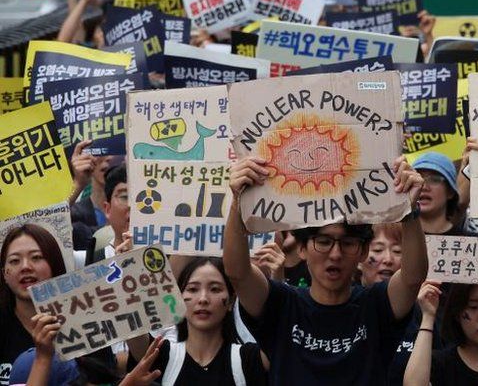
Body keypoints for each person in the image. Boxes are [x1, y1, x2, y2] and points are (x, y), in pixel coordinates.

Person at [223, 155, 427, 385]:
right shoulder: (281, 304)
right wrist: (238, 201)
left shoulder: (377, 305)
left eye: (348, 244)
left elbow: (412, 278)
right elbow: (238, 273)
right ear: (302, 248)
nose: (336, 254)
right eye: (323, 242)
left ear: (363, 252)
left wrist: (410, 211)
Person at [126, 257, 268, 385]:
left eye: (215, 289)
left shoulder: (250, 360)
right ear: (179, 298)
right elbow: (131, 323)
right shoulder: (162, 356)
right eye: (193, 289)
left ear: (231, 300)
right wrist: (128, 265)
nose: (203, 299)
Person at [0, 225, 67, 386]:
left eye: (36, 257)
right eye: (15, 261)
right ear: (4, 274)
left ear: (54, 264)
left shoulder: (85, 318)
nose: (25, 267)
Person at [412, 152, 468, 236]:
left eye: (434, 180)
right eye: (417, 179)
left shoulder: (469, 243)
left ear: (450, 192)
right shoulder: (393, 239)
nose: (424, 187)